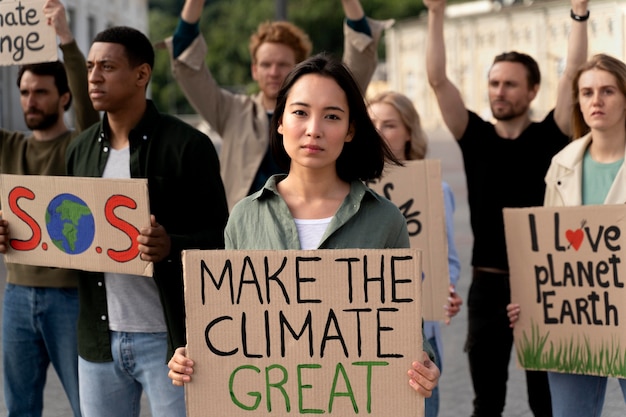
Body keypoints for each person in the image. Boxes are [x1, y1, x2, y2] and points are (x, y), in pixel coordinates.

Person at [167, 52, 440, 400]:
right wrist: (193, 357)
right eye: (300, 112)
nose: (314, 129)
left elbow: (404, 324)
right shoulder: (244, 217)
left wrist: (425, 362)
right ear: (279, 121)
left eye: (332, 116)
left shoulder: (386, 219)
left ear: (351, 129)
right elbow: (232, 324)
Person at [424, 0, 589, 415]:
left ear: (533, 90)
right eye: (494, 83)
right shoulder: (473, 135)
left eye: (510, 84)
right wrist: (435, 13)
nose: (499, 91)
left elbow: (572, 74)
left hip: (544, 286)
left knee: (545, 401)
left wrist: (579, 14)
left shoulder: (553, 133)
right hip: (487, 286)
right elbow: (439, 79)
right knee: (487, 401)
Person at [64, 26, 228, 417]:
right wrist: (18, 237)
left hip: (171, 341)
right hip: (98, 341)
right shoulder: (79, 150)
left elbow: (223, 240)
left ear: (141, 75)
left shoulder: (188, 146)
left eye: (107, 66)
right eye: (89, 67)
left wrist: (172, 245)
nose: (94, 77)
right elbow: (64, 236)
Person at [164, 0, 394, 209]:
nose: (273, 73)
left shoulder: (333, 99)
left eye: (283, 64)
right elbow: (188, 66)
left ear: (300, 68)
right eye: (265, 65)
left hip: (317, 219)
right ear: (254, 70)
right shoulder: (232, 110)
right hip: (249, 233)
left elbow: (360, 55)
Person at [507, 53, 626, 417]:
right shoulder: (562, 164)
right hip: (572, 321)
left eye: (608, 91)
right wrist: (531, 299)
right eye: (587, 92)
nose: (596, 101)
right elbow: (549, 252)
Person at [0, 1, 99, 416]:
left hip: (71, 298)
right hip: (16, 295)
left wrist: (66, 39)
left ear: (63, 98)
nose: (30, 100)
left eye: (40, 92)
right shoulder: (9, 146)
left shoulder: (82, 145)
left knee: (86, 405)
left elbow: (90, 105)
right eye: (24, 92)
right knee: (19, 408)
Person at [368, 91, 463, 417]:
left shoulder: (435, 189)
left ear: (409, 131)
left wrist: (444, 289)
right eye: (371, 123)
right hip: (364, 330)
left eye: (389, 125)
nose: (379, 131)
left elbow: (447, 259)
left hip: (420, 334)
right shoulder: (348, 189)